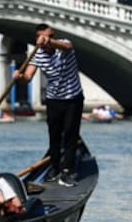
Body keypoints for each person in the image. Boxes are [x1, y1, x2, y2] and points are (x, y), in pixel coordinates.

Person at [13, 23, 84, 188]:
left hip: (73, 97)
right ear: (38, 38)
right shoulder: (37, 55)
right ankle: (54, 167)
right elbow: (28, 77)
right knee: (54, 136)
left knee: (70, 135)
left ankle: (67, 171)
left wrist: (49, 42)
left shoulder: (63, 46)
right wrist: (19, 77)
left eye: (52, 36)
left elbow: (67, 46)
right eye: (47, 36)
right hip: (53, 99)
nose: (52, 39)